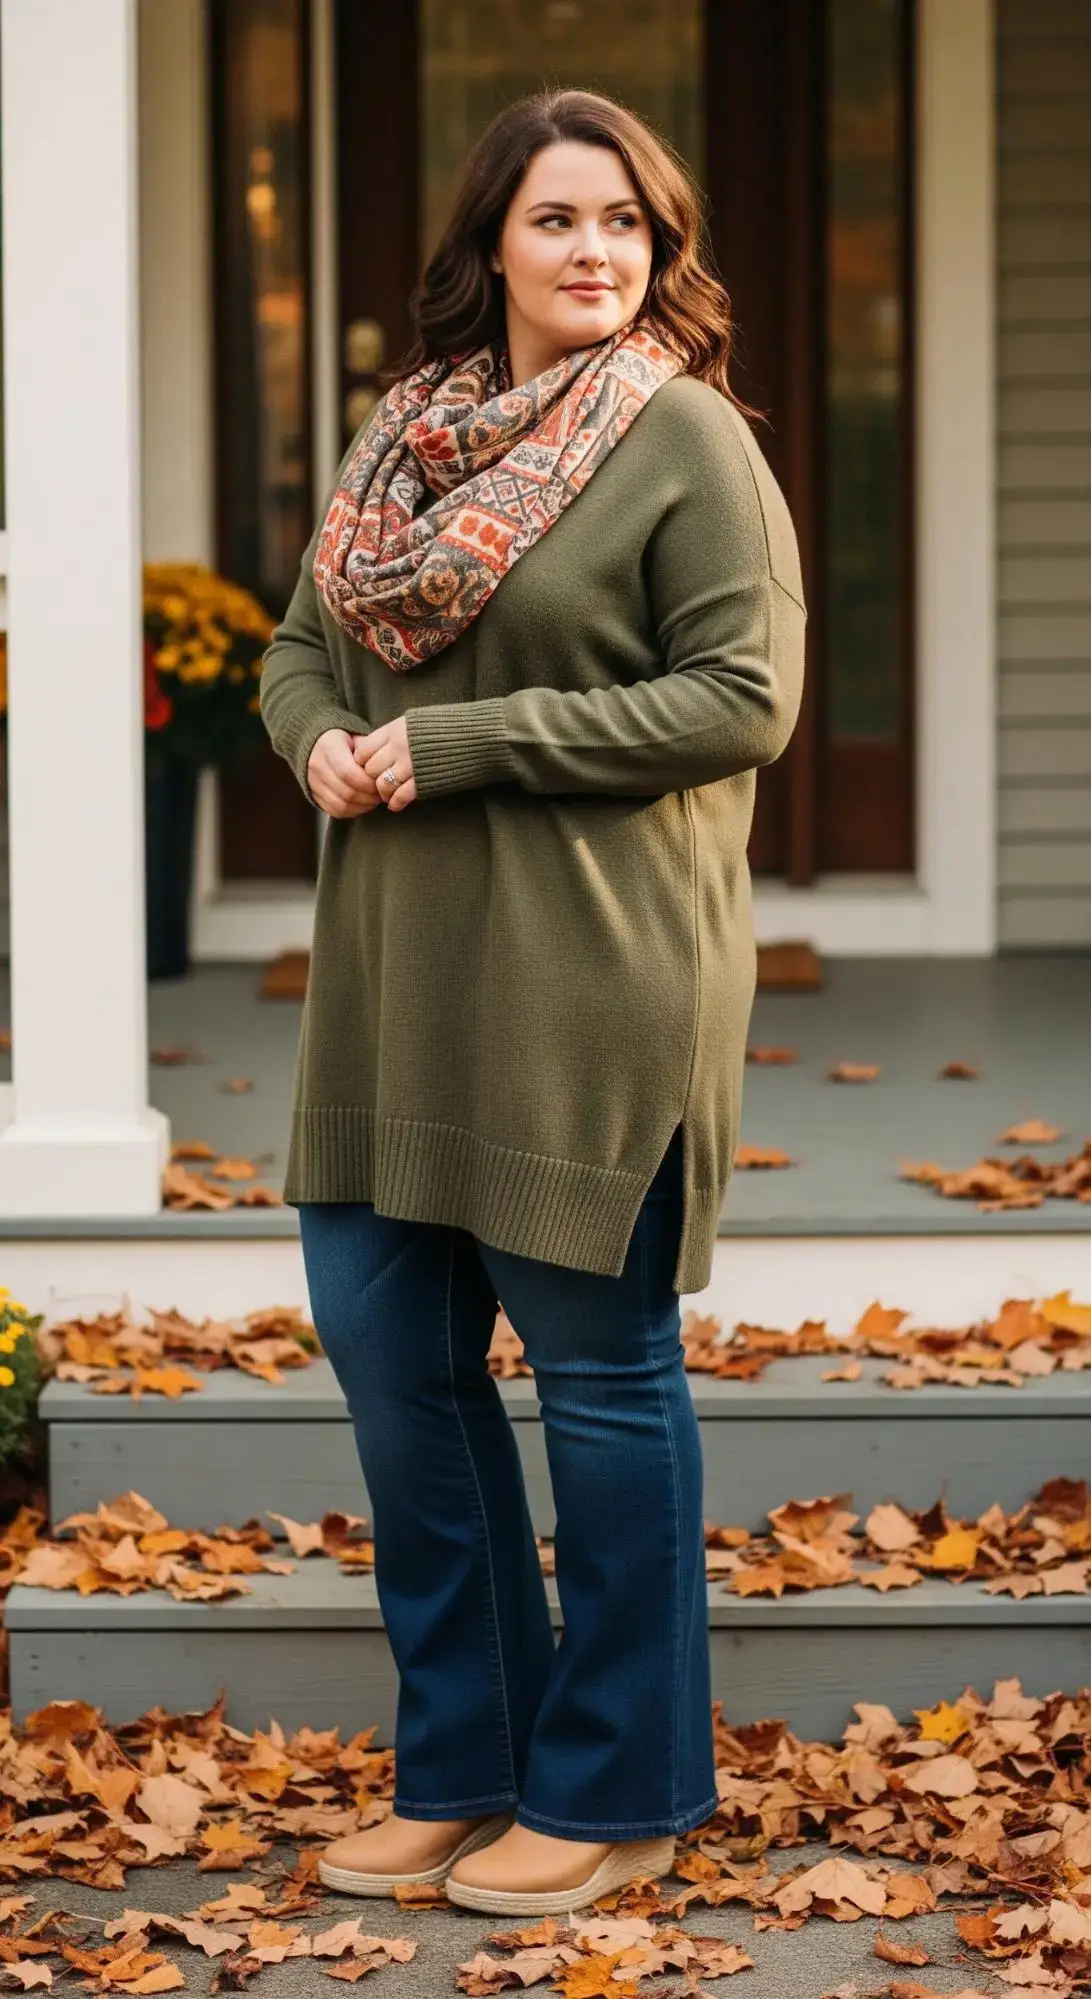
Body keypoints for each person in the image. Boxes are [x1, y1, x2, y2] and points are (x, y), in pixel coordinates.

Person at [259, 86, 805, 1918]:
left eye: (628, 226)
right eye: (561, 219)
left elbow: (740, 698)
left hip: (588, 983)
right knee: (397, 1374)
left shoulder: (687, 443)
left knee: (600, 1383)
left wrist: (462, 742)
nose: (596, 252)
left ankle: (616, 1785)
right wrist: (322, 736)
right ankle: (465, 1761)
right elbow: (294, 647)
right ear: (490, 241)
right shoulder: (397, 440)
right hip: (395, 988)